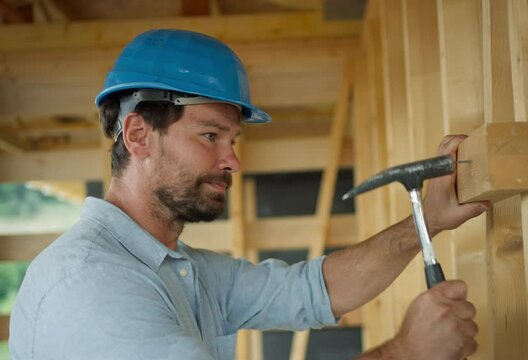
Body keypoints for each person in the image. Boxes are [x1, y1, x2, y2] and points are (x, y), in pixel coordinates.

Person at [9, 29, 489, 360]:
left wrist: (425, 220)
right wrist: (405, 352)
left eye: (232, 140)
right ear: (138, 136)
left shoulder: (178, 268)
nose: (232, 160)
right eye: (209, 136)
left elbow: (312, 290)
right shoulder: (93, 285)